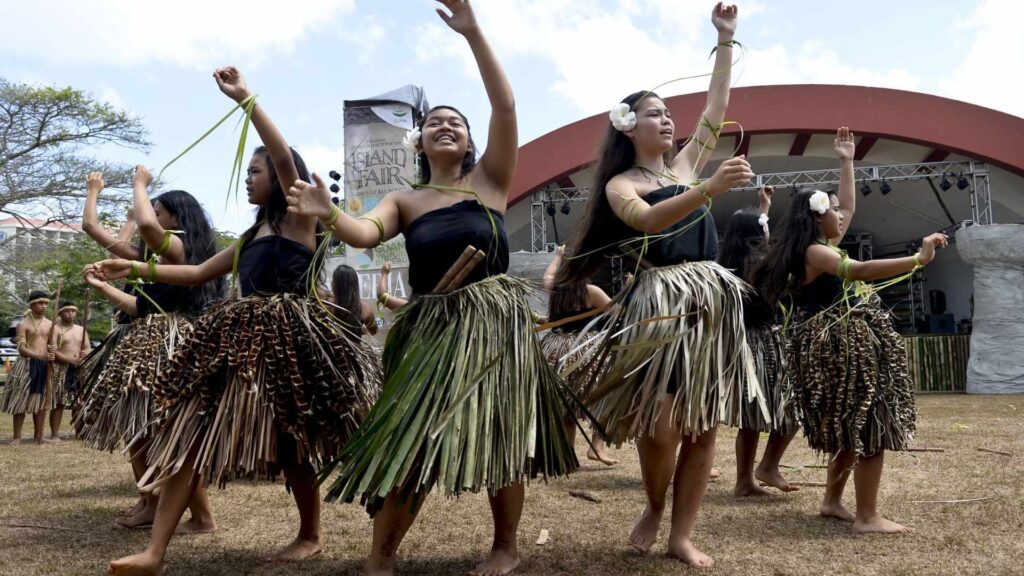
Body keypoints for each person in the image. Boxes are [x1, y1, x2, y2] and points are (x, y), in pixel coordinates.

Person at [288, 3, 576, 574]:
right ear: (418, 143)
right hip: (434, 329)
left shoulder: (491, 184)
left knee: (502, 431)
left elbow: (506, 105)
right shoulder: (406, 200)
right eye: (436, 122)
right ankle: (382, 554)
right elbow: (364, 232)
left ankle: (505, 545)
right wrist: (327, 215)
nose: (447, 126)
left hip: (495, 330)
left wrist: (473, 34)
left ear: (469, 141)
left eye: (457, 122)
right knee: (411, 435)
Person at [97, 66, 380, 576]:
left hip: (290, 340)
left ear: (277, 178)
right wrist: (134, 266)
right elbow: (199, 272)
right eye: (248, 172)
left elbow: (281, 154)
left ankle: (310, 534)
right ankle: (155, 553)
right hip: (239, 340)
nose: (250, 178)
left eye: (256, 172)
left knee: (294, 447)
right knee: (192, 435)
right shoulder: (249, 238)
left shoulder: (300, 218)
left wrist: (246, 100)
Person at [552, 3, 758, 566]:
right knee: (662, 427)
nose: (667, 120)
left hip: (709, 306)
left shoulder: (688, 164)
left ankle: (681, 535)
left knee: (702, 424)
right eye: (653, 113)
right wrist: (709, 189)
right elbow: (644, 220)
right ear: (628, 126)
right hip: (658, 306)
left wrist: (724, 39)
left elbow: (716, 108)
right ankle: (652, 503)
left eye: (669, 113)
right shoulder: (622, 183)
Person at [753, 127, 948, 533]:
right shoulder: (816, 252)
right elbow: (857, 271)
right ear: (816, 216)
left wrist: (846, 161)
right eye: (833, 211)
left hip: (841, 342)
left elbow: (851, 207)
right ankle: (867, 516)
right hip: (842, 346)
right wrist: (917, 259)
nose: (841, 215)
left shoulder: (818, 244)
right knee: (870, 422)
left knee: (850, 426)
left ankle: (832, 501)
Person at [77, 168, 223, 532]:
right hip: (149, 338)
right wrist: (93, 192)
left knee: (158, 430)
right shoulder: (155, 260)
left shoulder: (181, 251)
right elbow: (94, 231)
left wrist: (140, 184)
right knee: (142, 428)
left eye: (159, 211)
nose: (153, 216)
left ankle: (182, 511)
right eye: (153, 210)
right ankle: (153, 502)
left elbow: (145, 226)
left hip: (174, 344)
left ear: (177, 216)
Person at [717, 186, 801, 495]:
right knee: (793, 406)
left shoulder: (725, 265)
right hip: (764, 342)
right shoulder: (764, 265)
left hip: (738, 344)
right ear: (759, 234)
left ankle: (744, 481)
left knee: (751, 418)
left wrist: (764, 206)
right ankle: (768, 466)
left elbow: (755, 229)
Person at [539, 245, 618, 466]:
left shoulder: (554, 289)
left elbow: (548, 275)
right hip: (585, 350)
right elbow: (617, 313)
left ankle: (568, 453)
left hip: (557, 351)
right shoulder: (591, 293)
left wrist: (557, 256)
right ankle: (596, 448)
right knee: (604, 397)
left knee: (568, 405)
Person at [1, 290, 55, 445]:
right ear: (32, 305)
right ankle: (17, 436)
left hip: (45, 366)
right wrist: (39, 356)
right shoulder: (23, 324)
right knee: (20, 401)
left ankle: (39, 436)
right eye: (40, 303)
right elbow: (21, 349)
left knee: (41, 403)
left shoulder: (50, 324)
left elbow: (52, 344)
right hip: (26, 366)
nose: (43, 306)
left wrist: (53, 351)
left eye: (46, 303)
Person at [46, 299, 90, 441]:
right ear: (60, 313)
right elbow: (53, 350)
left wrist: (85, 354)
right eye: (68, 311)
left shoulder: (81, 329)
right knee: (59, 402)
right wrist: (70, 360)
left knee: (79, 401)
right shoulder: (55, 329)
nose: (71, 314)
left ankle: (80, 432)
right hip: (61, 369)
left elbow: (87, 347)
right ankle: (54, 434)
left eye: (73, 311)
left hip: (79, 369)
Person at [332, 264, 377, 335]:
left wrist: (365, 329)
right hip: (353, 345)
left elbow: (373, 331)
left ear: (335, 284)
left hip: (332, 346)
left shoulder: (326, 304)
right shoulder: (365, 309)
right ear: (355, 285)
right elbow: (373, 331)